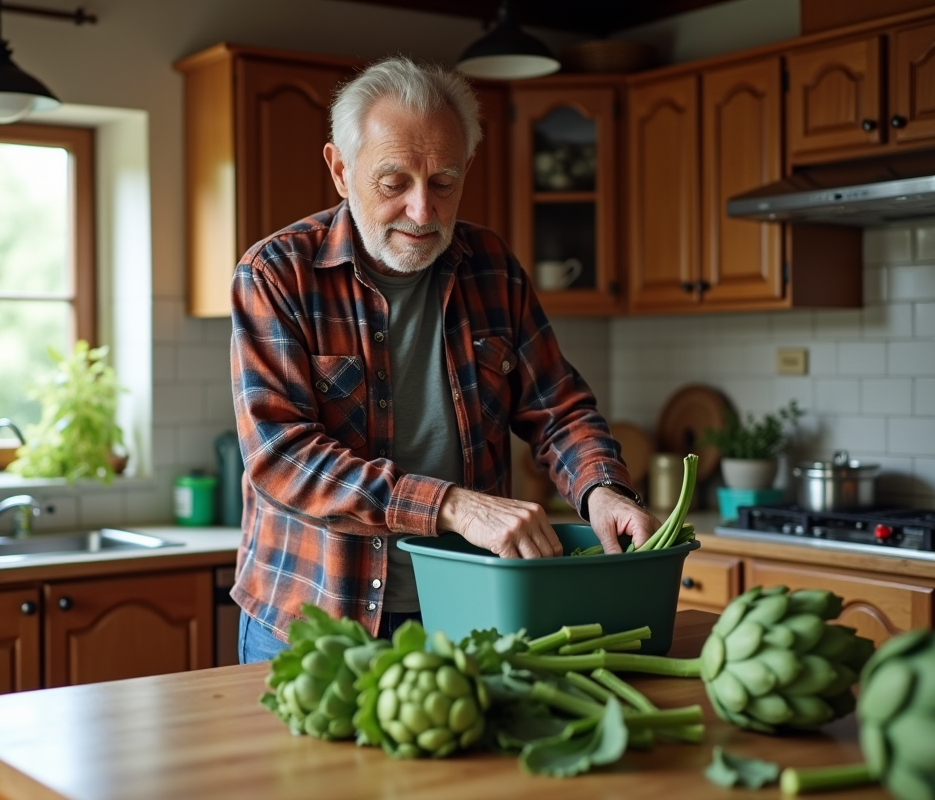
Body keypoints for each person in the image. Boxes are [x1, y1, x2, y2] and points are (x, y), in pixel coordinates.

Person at [229, 57, 659, 664]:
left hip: (469, 613)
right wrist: (453, 505)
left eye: (444, 181)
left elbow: (555, 407)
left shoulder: (492, 265)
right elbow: (281, 458)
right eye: (394, 182)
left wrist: (602, 489)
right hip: (316, 620)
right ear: (340, 169)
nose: (424, 212)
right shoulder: (276, 274)